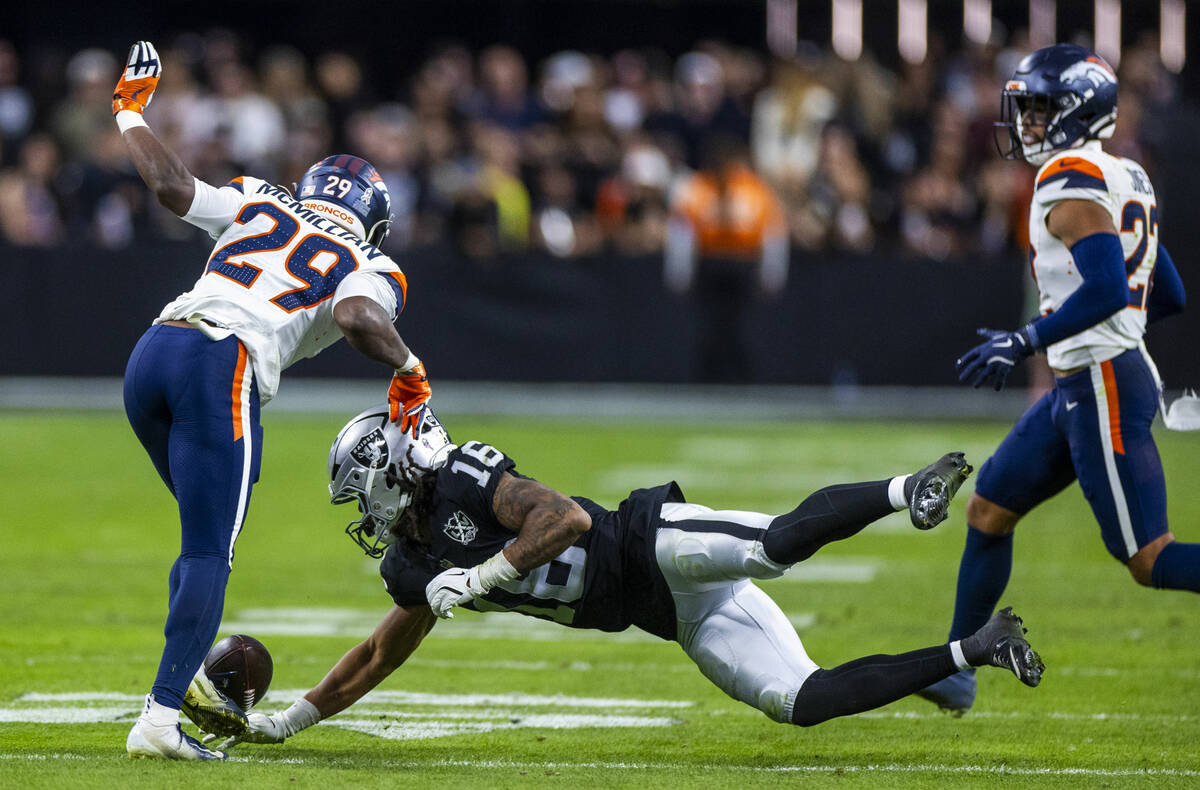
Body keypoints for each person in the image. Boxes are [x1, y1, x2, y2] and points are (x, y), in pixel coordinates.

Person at [198, 406, 1043, 749]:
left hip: (645, 542)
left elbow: (562, 517)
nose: (364, 512)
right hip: (667, 616)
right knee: (804, 704)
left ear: (389, 471)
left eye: (363, 491)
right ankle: (975, 648)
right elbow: (379, 654)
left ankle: (909, 491)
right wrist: (288, 724)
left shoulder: (461, 477)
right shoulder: (410, 561)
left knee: (775, 545)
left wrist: (486, 570)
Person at [113, 41, 434, 760]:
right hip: (219, 364)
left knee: (214, 521)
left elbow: (170, 187)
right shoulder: (372, 260)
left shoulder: (261, 197)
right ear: (376, 219)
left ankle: (183, 675)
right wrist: (410, 366)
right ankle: (161, 719)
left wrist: (131, 112)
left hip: (154, 352)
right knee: (210, 549)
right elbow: (357, 319)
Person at [917, 44, 1192, 715]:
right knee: (988, 509)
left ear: (1075, 111)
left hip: (1099, 382)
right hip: (1086, 380)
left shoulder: (1067, 177)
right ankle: (959, 666)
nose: (1026, 122)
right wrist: (1109, 334)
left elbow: (1105, 287)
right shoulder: (1125, 172)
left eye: (1038, 108)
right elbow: (1170, 293)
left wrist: (1027, 337)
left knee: (1149, 559)